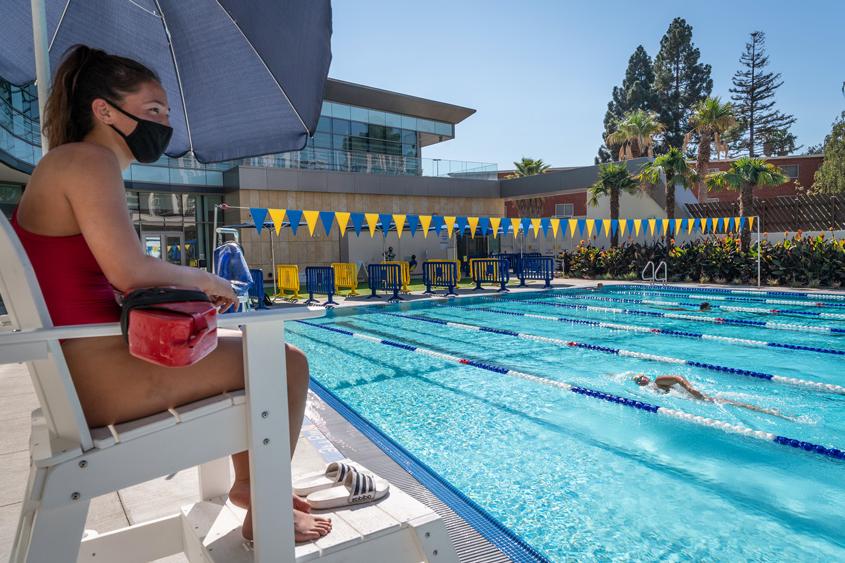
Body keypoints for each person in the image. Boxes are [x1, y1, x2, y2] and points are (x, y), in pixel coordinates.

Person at [10, 45, 330, 542]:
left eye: (166, 113)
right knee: (284, 361)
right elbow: (129, 272)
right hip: (102, 380)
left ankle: (250, 485)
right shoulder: (87, 162)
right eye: (153, 110)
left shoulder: (68, 164)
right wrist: (208, 281)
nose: (164, 123)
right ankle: (265, 500)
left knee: (241, 352)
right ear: (104, 110)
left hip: (86, 369)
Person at [632, 374, 789, 419]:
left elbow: (678, 378)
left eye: (641, 377)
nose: (641, 380)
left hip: (696, 396)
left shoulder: (658, 380)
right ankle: (765, 411)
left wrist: (691, 390)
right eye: (638, 381)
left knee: (731, 403)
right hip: (693, 400)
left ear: (646, 376)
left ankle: (768, 411)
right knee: (728, 403)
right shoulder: (651, 389)